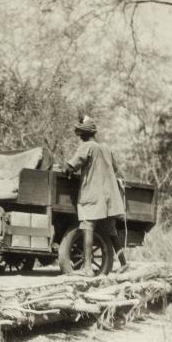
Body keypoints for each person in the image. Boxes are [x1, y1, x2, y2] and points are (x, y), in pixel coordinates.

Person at [64, 116, 126, 276]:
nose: (79, 137)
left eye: (80, 134)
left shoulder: (87, 147)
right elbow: (116, 169)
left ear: (84, 134)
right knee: (110, 230)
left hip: (93, 195)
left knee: (87, 227)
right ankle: (124, 263)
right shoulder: (106, 148)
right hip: (109, 197)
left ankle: (87, 267)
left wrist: (67, 169)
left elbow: (71, 166)